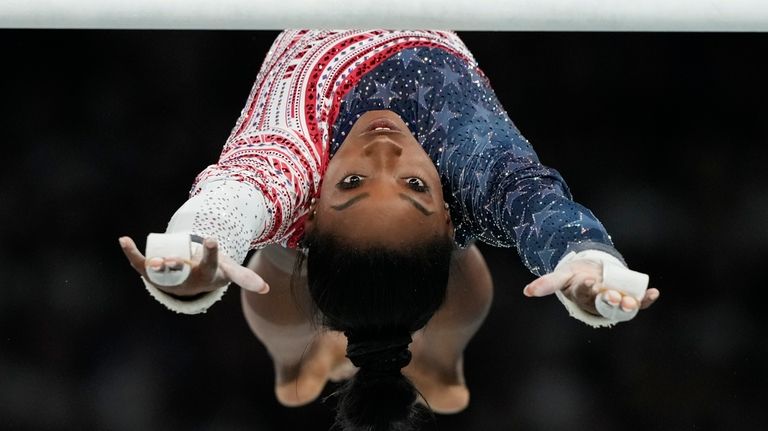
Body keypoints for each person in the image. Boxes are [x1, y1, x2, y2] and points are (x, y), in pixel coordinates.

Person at [119, 30, 660, 430]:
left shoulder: (294, 157)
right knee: (436, 265)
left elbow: (231, 200)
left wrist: (192, 257)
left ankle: (301, 360)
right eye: (415, 187)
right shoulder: (466, 156)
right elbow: (535, 201)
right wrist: (586, 258)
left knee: (276, 266)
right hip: (424, 219)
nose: (384, 150)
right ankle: (431, 362)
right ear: (448, 215)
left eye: (352, 181)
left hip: (317, 235)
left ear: (308, 219)